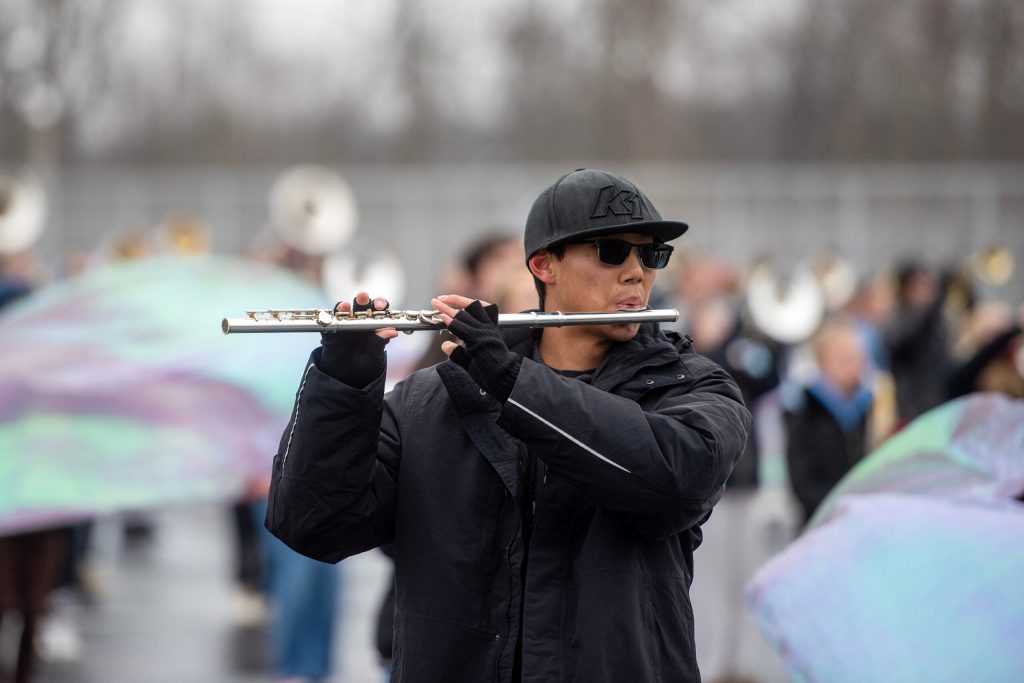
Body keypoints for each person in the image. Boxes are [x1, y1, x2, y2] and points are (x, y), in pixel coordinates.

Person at [265, 168, 751, 682]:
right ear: (544, 265)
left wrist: (512, 383)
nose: (637, 272)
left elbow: (671, 482)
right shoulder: (431, 401)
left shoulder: (692, 387)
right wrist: (342, 381)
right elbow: (314, 525)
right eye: (612, 251)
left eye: (652, 254)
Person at [785, 317, 873, 526]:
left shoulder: (869, 407)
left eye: (855, 357)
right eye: (843, 358)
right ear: (823, 361)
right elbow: (802, 483)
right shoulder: (805, 410)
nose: (853, 365)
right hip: (822, 522)